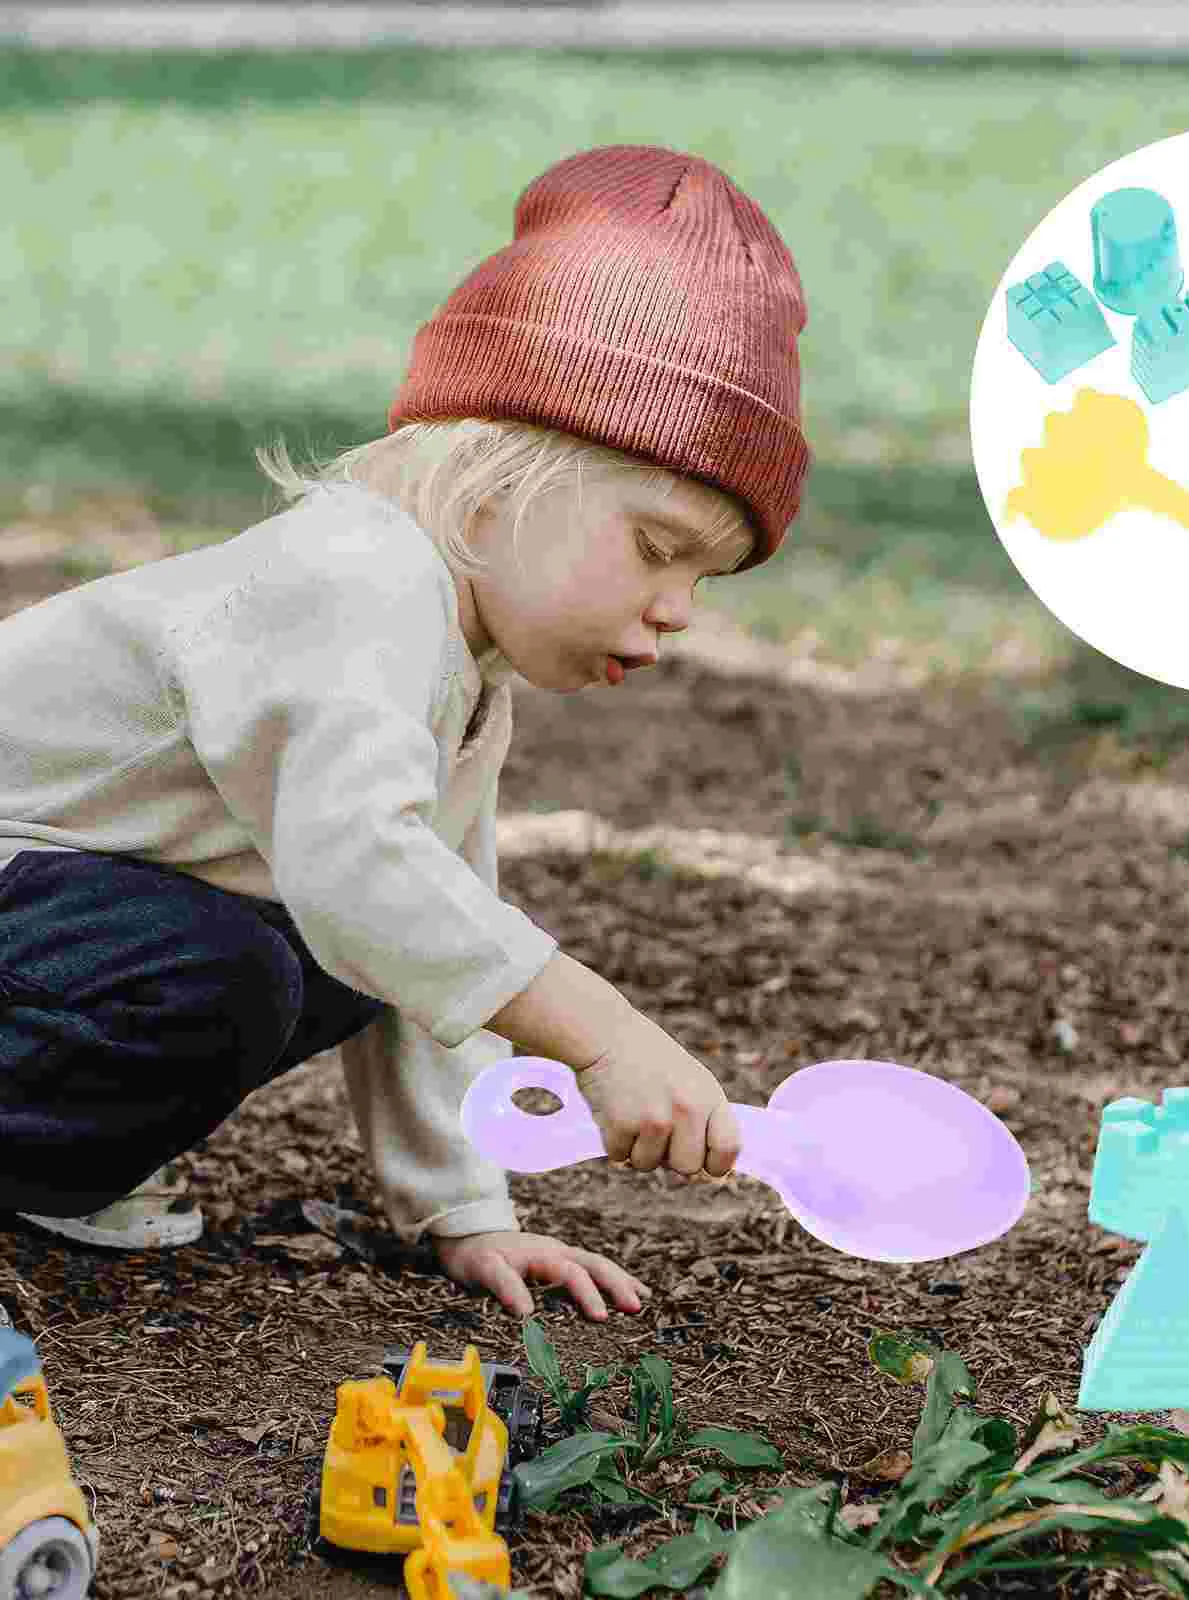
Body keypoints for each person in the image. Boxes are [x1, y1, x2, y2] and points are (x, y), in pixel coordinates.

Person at [0, 144, 809, 1323]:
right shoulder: (353, 581)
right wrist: (603, 1032)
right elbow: (364, 874)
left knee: (332, 955)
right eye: (655, 547)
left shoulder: (458, 666)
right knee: (231, 969)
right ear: (494, 483)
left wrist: (468, 1209)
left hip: (47, 907)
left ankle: (48, 1158)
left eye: (707, 580)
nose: (678, 609)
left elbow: (426, 942)